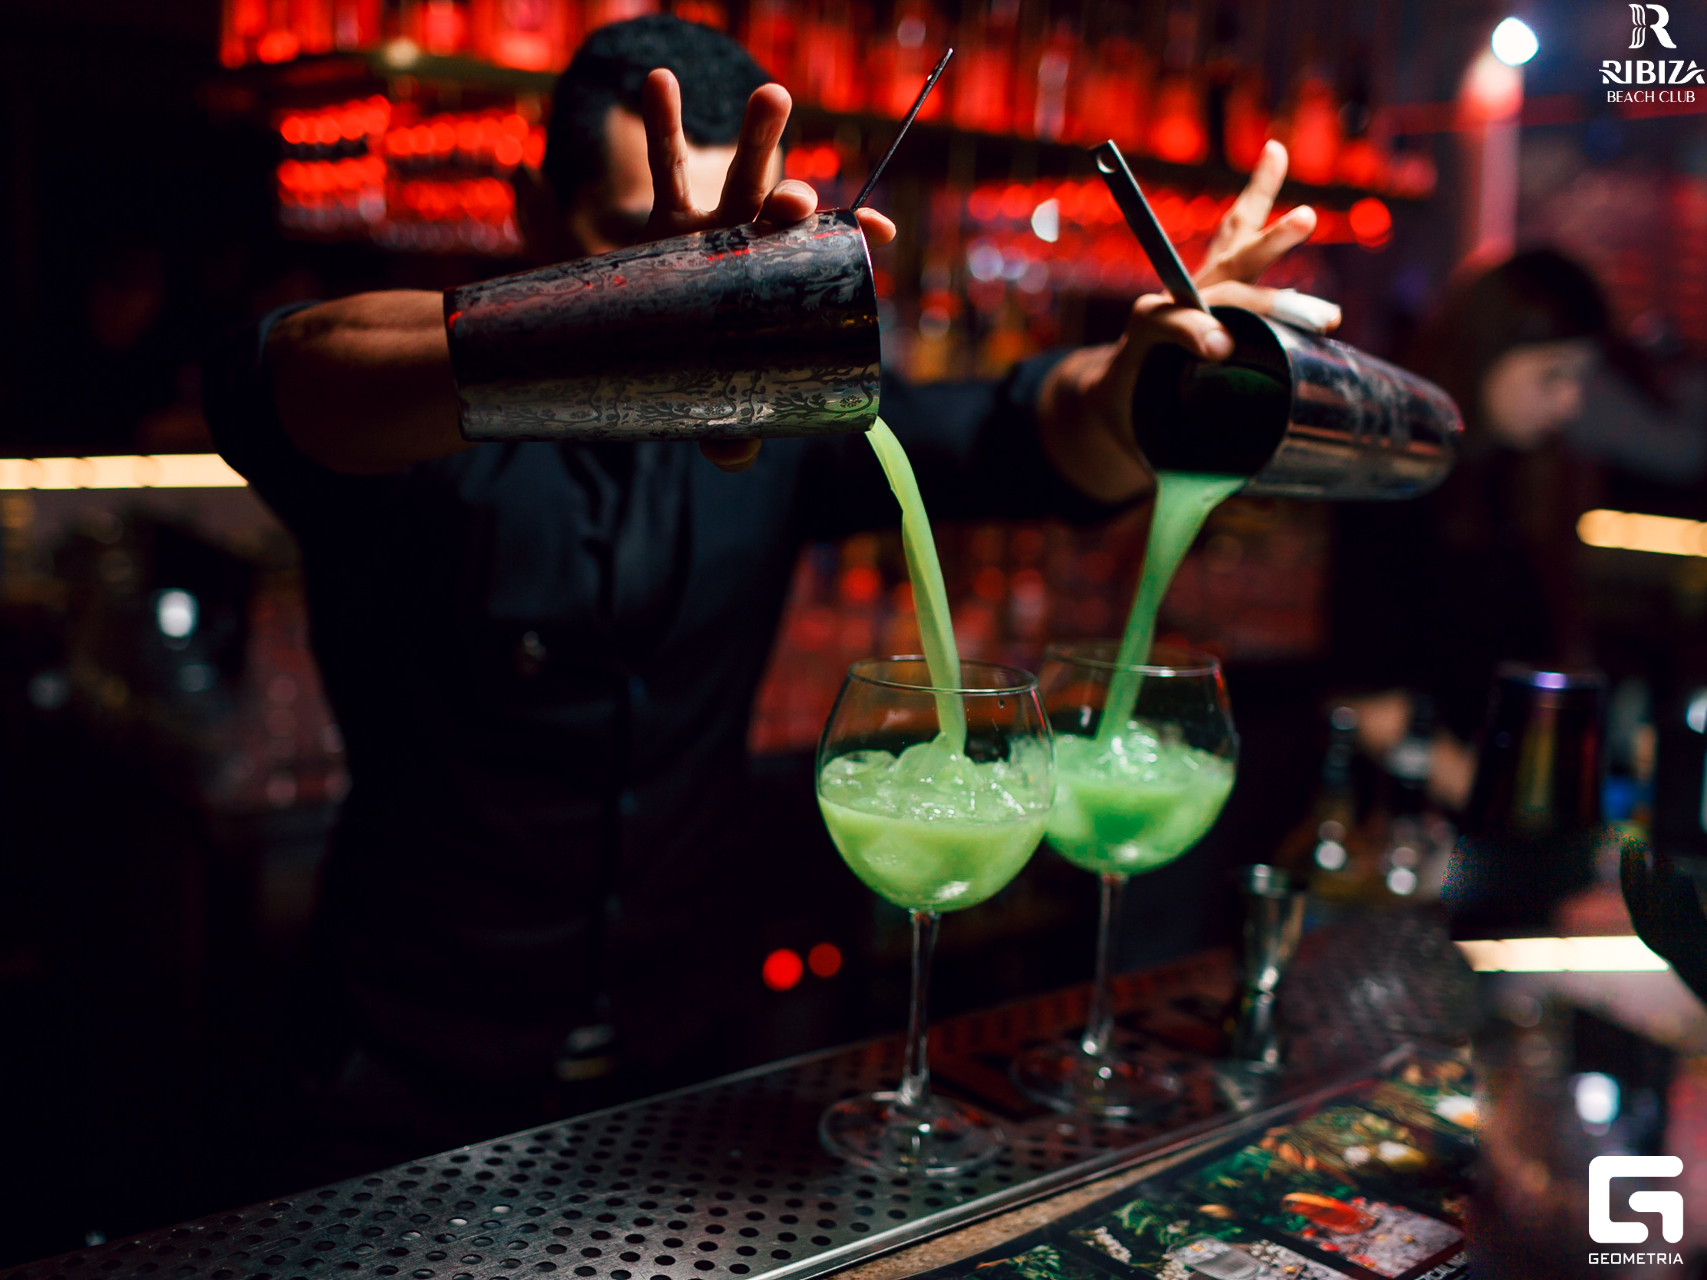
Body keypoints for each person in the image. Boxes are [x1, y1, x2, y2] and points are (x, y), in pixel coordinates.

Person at [205, 14, 1323, 1166]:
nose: (690, 291)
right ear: (531, 212)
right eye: (632, 244)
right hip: (403, 1067)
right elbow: (277, 376)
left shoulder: (782, 429)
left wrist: (1138, 381)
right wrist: (629, 321)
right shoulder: (415, 440)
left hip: (686, 1056)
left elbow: (1026, 437)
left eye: (722, 261)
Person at [1327, 249, 1616, 808]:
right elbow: (1368, 701)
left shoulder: (1519, 476)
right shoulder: (1395, 477)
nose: (1570, 401)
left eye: (1580, 379)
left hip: (1474, 812)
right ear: (1487, 352)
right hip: (1391, 812)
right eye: (1552, 375)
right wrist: (1503, 809)